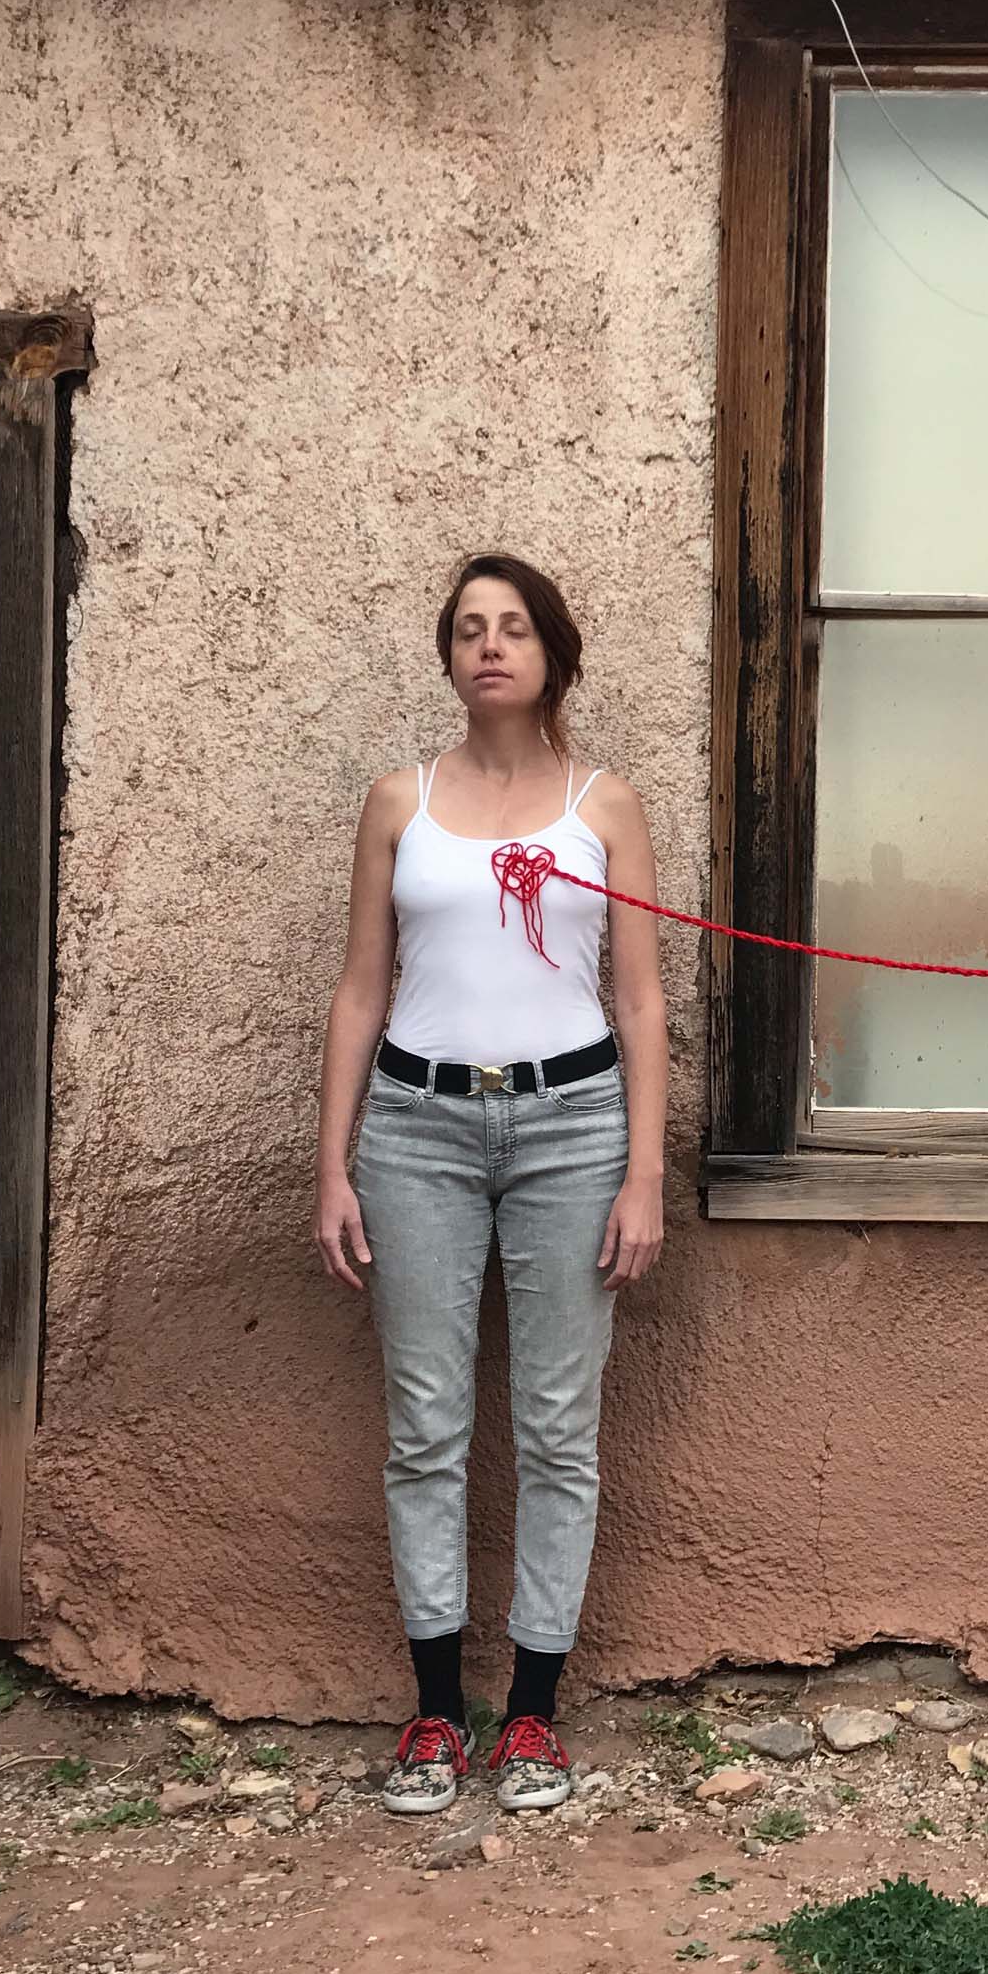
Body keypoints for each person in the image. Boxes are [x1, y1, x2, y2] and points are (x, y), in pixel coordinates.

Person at [313, 553, 669, 1818]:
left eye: (513, 626)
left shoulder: (604, 806)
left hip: (573, 1125)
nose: (490, 646)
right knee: (426, 1424)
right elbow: (361, 988)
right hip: (417, 1129)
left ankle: (531, 1714)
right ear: (449, 655)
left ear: (551, 652)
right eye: (469, 628)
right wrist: (334, 1163)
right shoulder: (396, 801)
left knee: (559, 1427)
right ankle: (432, 1712)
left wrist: (645, 1171)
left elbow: (637, 999)